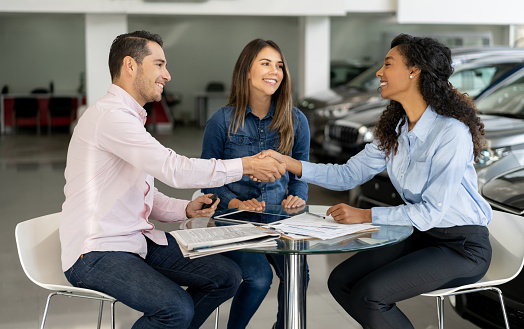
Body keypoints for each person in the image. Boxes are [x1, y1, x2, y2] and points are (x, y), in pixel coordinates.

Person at [258, 33, 492, 329]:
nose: (379, 73)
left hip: (462, 246)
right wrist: (289, 163)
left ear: (414, 71)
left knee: (370, 295)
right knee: (341, 281)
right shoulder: (397, 129)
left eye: (388, 64)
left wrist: (365, 216)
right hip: (421, 237)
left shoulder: (451, 133)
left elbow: (431, 212)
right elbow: (347, 175)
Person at [60, 30, 286, 329]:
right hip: (95, 252)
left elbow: (142, 195)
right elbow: (174, 169)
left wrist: (186, 209)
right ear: (130, 65)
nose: (167, 75)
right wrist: (245, 165)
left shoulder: (129, 119)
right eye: (159, 64)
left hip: (135, 240)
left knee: (226, 276)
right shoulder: (111, 118)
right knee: (175, 309)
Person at [200, 38, 310, 329]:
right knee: (258, 278)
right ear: (246, 70)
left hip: (279, 219)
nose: (274, 70)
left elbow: (301, 172)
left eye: (279, 65)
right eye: (265, 63)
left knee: (299, 275)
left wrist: (297, 197)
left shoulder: (296, 121)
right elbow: (207, 178)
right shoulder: (221, 121)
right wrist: (235, 203)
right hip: (233, 219)